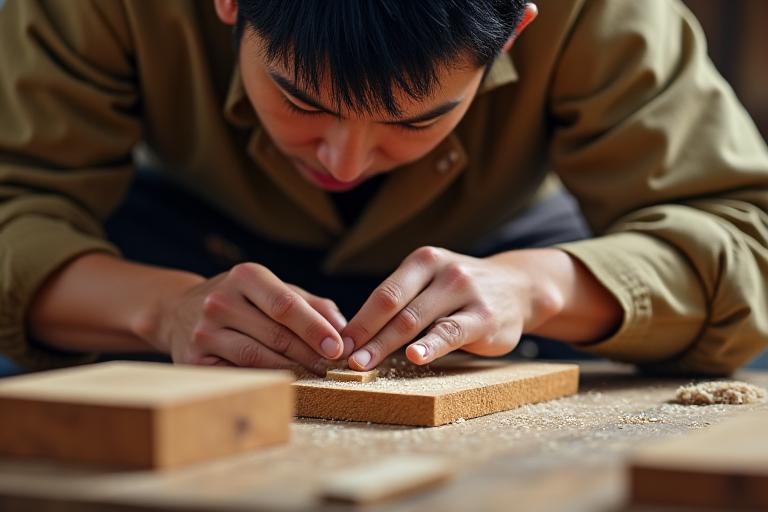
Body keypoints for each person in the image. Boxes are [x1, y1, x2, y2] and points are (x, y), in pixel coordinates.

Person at [0, 0, 766, 378]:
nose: (346, 158)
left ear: (515, 31)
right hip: (183, 243)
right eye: (302, 102)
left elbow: (747, 239)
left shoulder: (605, 10)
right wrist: (156, 309)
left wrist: (539, 290)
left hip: (501, 249)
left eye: (418, 119)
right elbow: (17, 203)